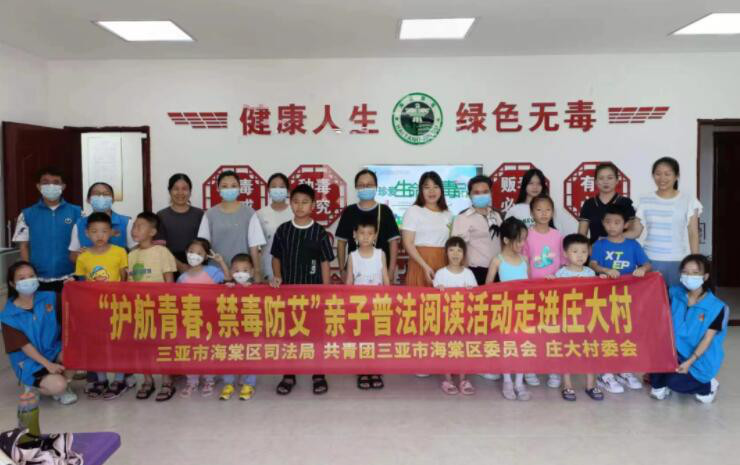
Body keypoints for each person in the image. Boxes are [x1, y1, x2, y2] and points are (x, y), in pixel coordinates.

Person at [270, 184, 335, 395]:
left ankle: (319, 373)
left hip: (314, 295)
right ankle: (289, 374)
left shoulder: (320, 232)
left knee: (316, 334)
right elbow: (276, 257)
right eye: (296, 202)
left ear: (313, 205)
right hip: (289, 294)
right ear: (290, 204)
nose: (300, 206)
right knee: (290, 334)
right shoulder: (283, 230)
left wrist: (326, 291)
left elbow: (325, 262)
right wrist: (277, 276)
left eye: (305, 202)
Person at [589, 204, 651, 394]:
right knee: (605, 333)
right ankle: (604, 373)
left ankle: (623, 369)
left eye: (617, 222)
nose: (612, 226)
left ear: (625, 225)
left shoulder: (633, 245)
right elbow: (593, 264)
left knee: (625, 333)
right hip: (604, 299)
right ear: (603, 223)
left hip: (627, 299)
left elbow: (647, 264)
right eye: (608, 222)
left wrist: (642, 269)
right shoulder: (599, 245)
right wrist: (605, 270)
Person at [650, 255, 728, 403]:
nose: (689, 276)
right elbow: (651, 291)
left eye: (694, 273)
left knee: (675, 383)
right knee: (656, 385)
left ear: (705, 277)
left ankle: (708, 386)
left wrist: (690, 361)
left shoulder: (716, 307)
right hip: (675, 351)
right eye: (685, 272)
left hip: (699, 358)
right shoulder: (675, 293)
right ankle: (665, 380)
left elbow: (707, 340)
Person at [0, 261, 77, 405]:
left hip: (53, 350)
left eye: (31, 276)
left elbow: (72, 307)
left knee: (76, 353)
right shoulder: (8, 316)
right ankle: (38, 386)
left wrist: (72, 288)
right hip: (29, 361)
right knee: (57, 385)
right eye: (22, 278)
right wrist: (48, 365)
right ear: (12, 284)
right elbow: (25, 346)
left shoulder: (50, 297)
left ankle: (63, 386)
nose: (28, 280)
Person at [72, 212, 129, 399]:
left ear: (111, 232)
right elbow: (81, 283)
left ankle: (119, 380)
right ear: (87, 233)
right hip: (93, 309)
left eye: (104, 231)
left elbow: (125, 280)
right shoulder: (83, 257)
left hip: (116, 307)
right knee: (96, 344)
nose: (100, 235)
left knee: (118, 344)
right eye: (95, 231)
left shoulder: (120, 252)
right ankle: (101, 379)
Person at [127, 212, 178, 402]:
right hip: (139, 309)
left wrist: (167, 306)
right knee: (142, 346)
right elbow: (129, 283)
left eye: (140, 226)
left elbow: (169, 282)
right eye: (134, 226)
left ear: (152, 231)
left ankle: (167, 381)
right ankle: (147, 380)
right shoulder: (131, 255)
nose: (135, 230)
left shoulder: (162, 252)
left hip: (160, 308)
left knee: (162, 346)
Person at [12, 167, 82, 305]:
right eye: (46, 182)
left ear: (63, 186)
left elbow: (84, 243)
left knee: (67, 314)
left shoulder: (77, 212)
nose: (51, 186)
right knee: (44, 314)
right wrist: (29, 274)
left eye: (56, 182)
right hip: (38, 279)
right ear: (38, 186)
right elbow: (24, 246)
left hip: (70, 277)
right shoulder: (26, 214)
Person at [632, 157, 702, 288]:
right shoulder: (644, 199)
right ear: (653, 175)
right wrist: (611, 237)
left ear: (676, 176)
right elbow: (635, 232)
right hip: (648, 261)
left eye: (667, 174)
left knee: (675, 298)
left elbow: (693, 232)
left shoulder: (689, 200)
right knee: (650, 298)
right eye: (658, 174)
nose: (662, 178)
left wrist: (696, 260)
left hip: (677, 260)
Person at [521, 194, 565, 389]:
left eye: (547, 209)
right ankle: (530, 368)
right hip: (532, 291)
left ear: (553, 212)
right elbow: (523, 261)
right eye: (539, 209)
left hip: (553, 292)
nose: (544, 213)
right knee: (532, 329)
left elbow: (563, 263)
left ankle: (553, 369)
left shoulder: (558, 235)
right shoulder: (527, 235)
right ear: (532, 213)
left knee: (553, 329)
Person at [177, 238, 230, 399]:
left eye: (199, 253)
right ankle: (191, 380)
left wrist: (221, 262)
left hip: (209, 320)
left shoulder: (212, 271)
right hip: (189, 320)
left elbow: (228, 279)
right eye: (191, 252)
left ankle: (209, 379)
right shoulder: (182, 278)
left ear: (206, 256)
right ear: (186, 253)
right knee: (190, 350)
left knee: (207, 349)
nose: (194, 255)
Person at [553, 234, 603, 401]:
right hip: (567, 320)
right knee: (567, 350)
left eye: (584, 251)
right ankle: (567, 385)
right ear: (565, 253)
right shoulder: (560, 274)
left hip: (587, 320)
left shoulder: (590, 273)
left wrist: (603, 281)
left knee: (590, 350)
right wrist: (550, 282)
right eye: (575, 251)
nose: (580, 255)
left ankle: (591, 385)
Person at [485, 218, 531, 401]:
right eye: (519, 240)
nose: (522, 244)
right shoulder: (498, 260)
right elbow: (488, 286)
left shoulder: (524, 260)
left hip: (524, 309)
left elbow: (530, 285)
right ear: (506, 240)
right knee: (507, 345)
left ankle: (519, 382)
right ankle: (507, 381)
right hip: (505, 310)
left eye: (524, 239)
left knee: (523, 345)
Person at [345, 219, 390, 390]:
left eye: (370, 233)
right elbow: (349, 281)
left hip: (378, 306)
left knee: (376, 338)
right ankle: (362, 370)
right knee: (361, 338)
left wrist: (390, 299)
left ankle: (375, 369)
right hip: (359, 307)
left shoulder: (380, 254)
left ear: (375, 236)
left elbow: (385, 278)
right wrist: (347, 303)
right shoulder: (353, 256)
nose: (365, 237)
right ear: (355, 235)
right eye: (362, 233)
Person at [197, 170, 266, 282]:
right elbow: (202, 246)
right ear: (218, 189)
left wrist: (257, 271)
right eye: (224, 186)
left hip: (243, 274)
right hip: (216, 273)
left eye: (233, 186)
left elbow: (254, 246)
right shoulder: (209, 214)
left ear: (239, 188)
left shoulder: (249, 213)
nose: (229, 189)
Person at [336, 168, 400, 283]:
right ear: (356, 187)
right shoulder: (349, 211)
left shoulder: (385, 211)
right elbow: (341, 243)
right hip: (354, 273)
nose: (365, 188)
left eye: (369, 185)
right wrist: (342, 270)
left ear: (376, 186)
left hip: (380, 273)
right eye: (361, 185)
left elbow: (393, 243)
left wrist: (390, 271)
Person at [433, 237, 478, 396]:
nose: (455, 254)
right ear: (446, 253)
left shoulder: (469, 274)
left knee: (462, 348)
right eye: (452, 250)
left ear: (464, 254)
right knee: (446, 348)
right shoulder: (440, 274)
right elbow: (432, 299)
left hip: (463, 320)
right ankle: (448, 380)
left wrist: (471, 291)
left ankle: (463, 379)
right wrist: (438, 290)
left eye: (459, 250)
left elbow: (476, 298)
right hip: (445, 320)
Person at [401, 171, 452, 287]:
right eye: (427, 187)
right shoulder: (413, 211)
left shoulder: (448, 214)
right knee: (420, 297)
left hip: (443, 263)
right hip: (420, 263)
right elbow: (408, 243)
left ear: (441, 190)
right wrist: (424, 266)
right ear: (421, 190)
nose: (431, 191)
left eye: (436, 187)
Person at [451, 175, 503, 285]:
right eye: (477, 192)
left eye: (485, 192)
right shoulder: (462, 218)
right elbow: (458, 249)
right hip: (475, 272)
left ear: (491, 193)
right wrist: (465, 274)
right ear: (469, 195)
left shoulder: (496, 215)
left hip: (499, 269)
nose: (481, 195)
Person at [220, 253, 258, 401]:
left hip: (249, 330)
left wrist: (252, 289)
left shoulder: (257, 288)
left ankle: (249, 384)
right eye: (236, 270)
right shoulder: (227, 287)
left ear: (252, 272)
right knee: (229, 355)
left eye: (245, 270)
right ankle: (228, 383)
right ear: (230, 272)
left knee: (250, 355)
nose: (240, 273)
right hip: (231, 329)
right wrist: (227, 289)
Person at [69, 182, 135, 262]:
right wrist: (78, 255)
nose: (101, 197)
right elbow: (72, 256)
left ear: (113, 200)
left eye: (106, 194)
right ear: (88, 200)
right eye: (96, 194)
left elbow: (136, 251)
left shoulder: (126, 223)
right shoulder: (79, 225)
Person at [156, 173, 204, 274]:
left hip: (197, 264)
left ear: (190, 191)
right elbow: (160, 248)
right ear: (169, 191)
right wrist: (180, 266)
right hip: (169, 266)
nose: (180, 192)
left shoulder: (200, 214)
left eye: (184, 189)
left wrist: (195, 263)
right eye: (176, 189)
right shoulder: (161, 215)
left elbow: (204, 244)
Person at [577, 162, 637, 244]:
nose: (605, 181)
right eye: (601, 178)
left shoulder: (625, 203)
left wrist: (609, 239)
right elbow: (581, 236)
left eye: (610, 178)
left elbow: (633, 232)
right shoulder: (589, 204)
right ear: (596, 181)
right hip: (595, 249)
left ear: (617, 180)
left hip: (620, 249)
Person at [256, 173, 294, 282]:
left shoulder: (295, 212)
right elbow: (256, 247)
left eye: (281, 187)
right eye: (274, 186)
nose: (278, 190)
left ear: (288, 191)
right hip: (267, 267)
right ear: (268, 190)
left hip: (293, 266)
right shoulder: (260, 214)